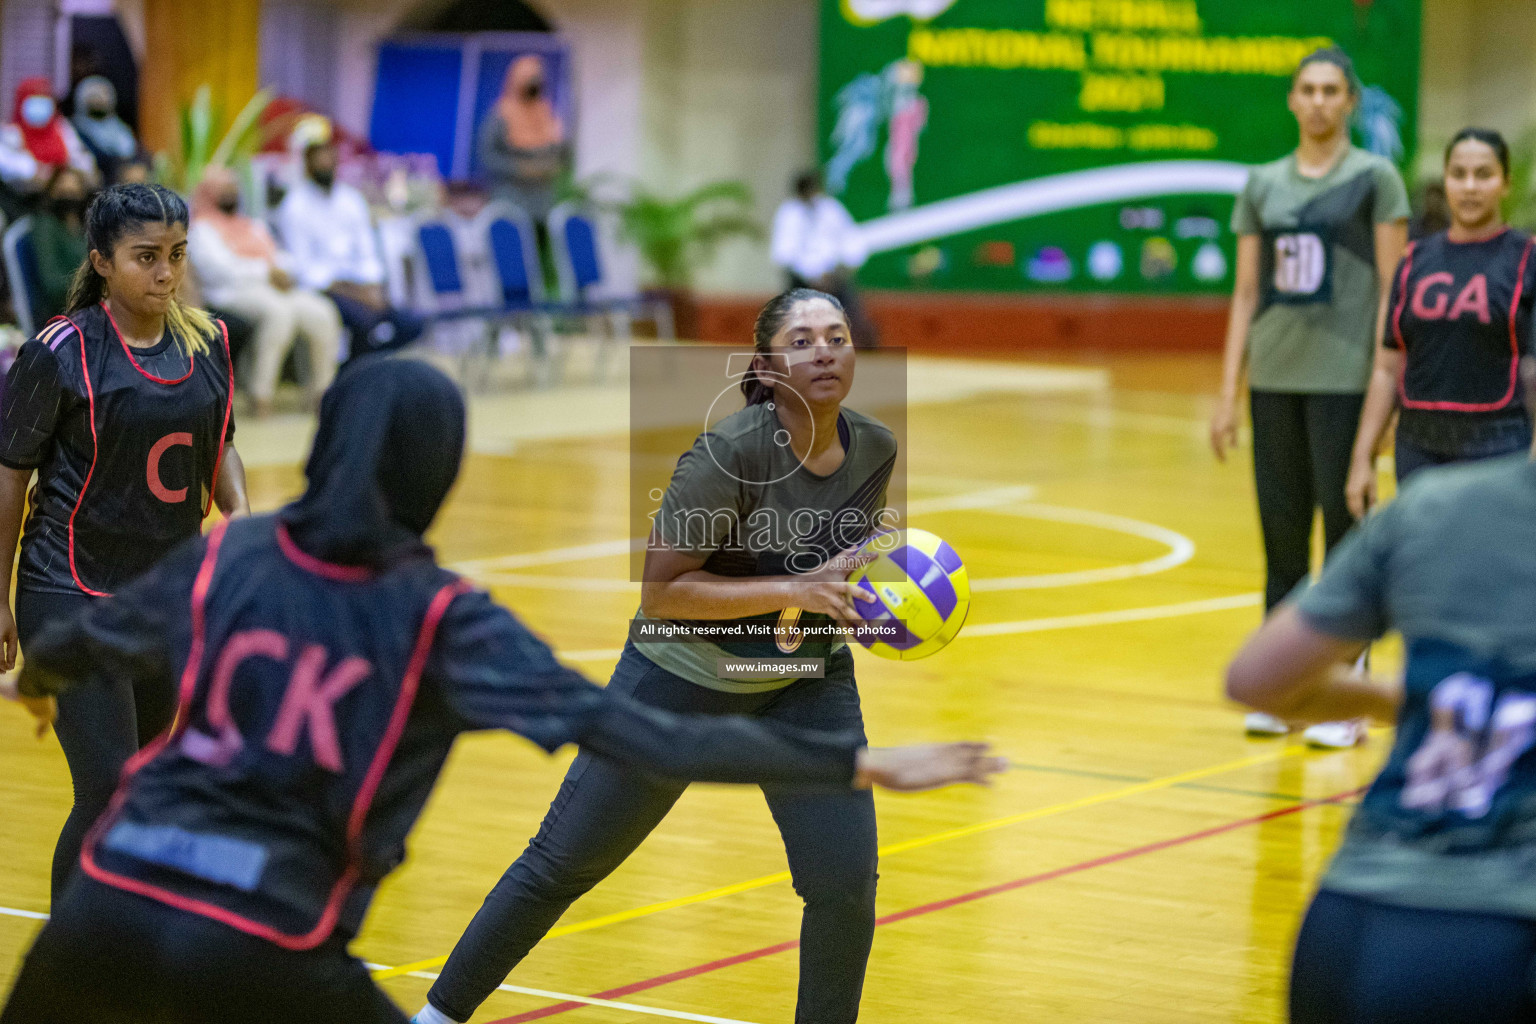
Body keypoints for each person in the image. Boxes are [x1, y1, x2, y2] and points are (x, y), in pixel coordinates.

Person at [0, 357, 1003, 1024]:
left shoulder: (229, 556)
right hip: (269, 936)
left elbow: (83, 636)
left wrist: (37, 679)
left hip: (106, 902)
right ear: (438, 469)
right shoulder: (443, 616)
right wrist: (855, 760)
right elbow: (646, 733)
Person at [418, 288, 898, 1024]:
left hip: (804, 683)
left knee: (844, 884)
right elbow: (663, 593)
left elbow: (821, 575)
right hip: (681, 680)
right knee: (563, 863)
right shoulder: (725, 451)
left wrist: (852, 607)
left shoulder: (874, 447)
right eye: (802, 340)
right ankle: (439, 1015)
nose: (825, 349)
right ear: (767, 367)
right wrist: (794, 587)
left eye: (836, 336)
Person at [1225, 359, 1536, 1024]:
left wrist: (1391, 699)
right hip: (1491, 936)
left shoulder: (1433, 505)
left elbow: (1254, 680)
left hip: (1341, 919)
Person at [0, 182, 248, 906]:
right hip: (69, 590)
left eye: (176, 256)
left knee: (142, 789)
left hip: (163, 597)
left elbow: (220, 438)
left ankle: (119, 940)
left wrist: (237, 507)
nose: (166, 274)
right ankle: (67, 967)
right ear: (103, 261)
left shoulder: (208, 341)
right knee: (107, 787)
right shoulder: (60, 352)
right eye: (146, 258)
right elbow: (10, 481)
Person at [1209, 46, 1410, 747]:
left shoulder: (1375, 179)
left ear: (1350, 102)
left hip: (1347, 381)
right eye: (1308, 89)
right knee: (1283, 538)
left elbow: (1394, 291)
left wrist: (1386, 391)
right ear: (1292, 101)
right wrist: (1228, 390)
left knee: (1346, 537)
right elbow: (1244, 293)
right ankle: (1283, 685)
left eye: (1332, 90)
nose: (1319, 100)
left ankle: (1348, 693)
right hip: (1275, 380)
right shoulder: (1262, 184)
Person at [1347, 129, 1533, 516]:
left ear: (1505, 183)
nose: (1469, 187)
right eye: (1458, 174)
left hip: (1499, 446)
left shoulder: (1526, 258)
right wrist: (1363, 456)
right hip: (1418, 446)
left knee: (1489, 570)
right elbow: (1387, 367)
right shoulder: (1415, 260)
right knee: (1426, 570)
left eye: (1483, 174)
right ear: (1445, 180)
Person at [190, 166, 341, 416]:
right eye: (224, 190)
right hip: (230, 293)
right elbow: (218, 271)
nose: (231, 194)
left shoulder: (251, 225)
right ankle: (261, 394)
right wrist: (265, 272)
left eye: (233, 189)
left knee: (322, 312)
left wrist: (283, 270)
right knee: (279, 314)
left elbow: (277, 254)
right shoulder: (202, 230)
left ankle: (320, 392)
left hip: (272, 288)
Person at [276, 134, 423, 360]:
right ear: (307, 164)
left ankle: (360, 369)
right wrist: (350, 291)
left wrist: (372, 287)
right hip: (324, 290)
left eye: (329, 157)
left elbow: (367, 252)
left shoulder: (351, 200)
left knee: (411, 324)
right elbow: (303, 268)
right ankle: (354, 376)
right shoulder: (295, 206)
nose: (325, 164)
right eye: (319, 159)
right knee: (365, 321)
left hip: (360, 286)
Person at [771, 169, 878, 347]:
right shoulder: (788, 213)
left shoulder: (831, 209)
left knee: (852, 313)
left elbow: (850, 239)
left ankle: (861, 346)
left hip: (833, 276)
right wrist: (812, 276)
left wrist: (840, 269)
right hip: (802, 280)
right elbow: (784, 253)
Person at [477, 53, 571, 226]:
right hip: (511, 200)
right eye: (528, 80)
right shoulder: (501, 115)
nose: (533, 86)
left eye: (537, 80)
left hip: (543, 204)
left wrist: (550, 165)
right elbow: (488, 156)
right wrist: (520, 169)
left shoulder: (547, 115)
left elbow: (562, 155)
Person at [0, 77, 98, 210]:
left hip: (62, 197)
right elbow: (7, 165)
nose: (39, 108)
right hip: (23, 200)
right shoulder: (11, 134)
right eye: (33, 102)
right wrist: (36, 170)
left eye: (44, 102)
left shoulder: (62, 128)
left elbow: (80, 157)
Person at [28, 166, 90, 322]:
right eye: (63, 192)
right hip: (63, 314)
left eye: (74, 193)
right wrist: (95, 287)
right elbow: (52, 285)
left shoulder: (84, 226)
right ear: (51, 193)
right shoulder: (46, 226)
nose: (69, 198)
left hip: (88, 306)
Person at [69, 75, 140, 185]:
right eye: (93, 96)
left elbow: (135, 154)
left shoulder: (121, 129)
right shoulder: (75, 130)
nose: (99, 101)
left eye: (103, 96)